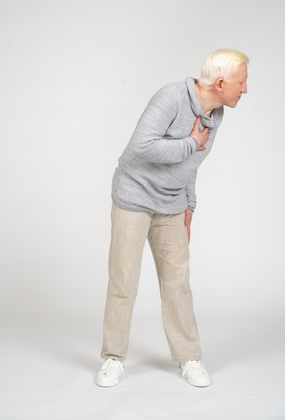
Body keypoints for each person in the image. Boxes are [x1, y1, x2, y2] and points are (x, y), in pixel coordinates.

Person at [96, 48, 249, 388]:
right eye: (242, 82)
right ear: (221, 82)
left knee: (178, 284)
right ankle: (113, 358)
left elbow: (192, 164)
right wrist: (189, 143)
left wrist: (189, 204)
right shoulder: (171, 97)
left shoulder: (216, 114)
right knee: (124, 281)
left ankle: (189, 356)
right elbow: (141, 146)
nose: (245, 89)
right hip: (134, 196)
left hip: (171, 203)